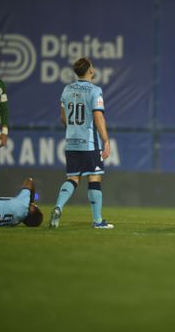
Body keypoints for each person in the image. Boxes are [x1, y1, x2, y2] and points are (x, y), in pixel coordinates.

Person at [49, 57, 113, 229]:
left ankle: (58, 207)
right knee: (94, 177)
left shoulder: (67, 90)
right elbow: (98, 116)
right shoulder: (95, 91)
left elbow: (63, 118)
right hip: (89, 143)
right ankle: (98, 221)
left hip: (71, 142)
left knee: (73, 178)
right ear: (90, 70)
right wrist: (106, 140)